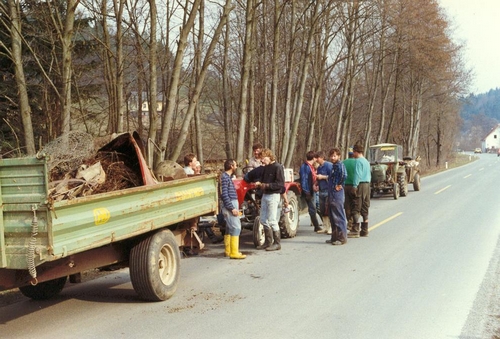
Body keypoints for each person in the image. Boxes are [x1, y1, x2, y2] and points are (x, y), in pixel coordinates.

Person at [254, 148, 285, 251]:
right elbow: (262, 180)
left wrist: (265, 185)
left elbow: (280, 184)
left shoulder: (278, 167)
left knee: (272, 220)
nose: (262, 161)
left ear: (269, 156)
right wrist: (258, 183)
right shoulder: (266, 168)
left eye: (263, 158)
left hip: (273, 195)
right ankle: (268, 242)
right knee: (263, 219)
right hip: (265, 195)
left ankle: (277, 243)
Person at [220, 159, 246, 259]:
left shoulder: (227, 177)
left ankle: (228, 251)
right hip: (230, 205)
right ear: (231, 166)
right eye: (235, 165)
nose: (236, 167)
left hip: (231, 204)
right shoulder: (225, 178)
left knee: (229, 228)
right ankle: (234, 252)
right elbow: (225, 195)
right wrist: (232, 208)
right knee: (236, 227)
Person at [325, 148, 348, 245]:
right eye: (331, 156)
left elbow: (344, 175)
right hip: (331, 193)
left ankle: (342, 238)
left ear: (339, 156)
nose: (332, 158)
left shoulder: (340, 165)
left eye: (334, 156)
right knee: (332, 216)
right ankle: (334, 237)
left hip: (337, 193)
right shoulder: (333, 166)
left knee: (338, 216)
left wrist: (339, 184)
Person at [299, 151, 323, 233]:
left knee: (316, 207)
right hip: (308, 191)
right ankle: (316, 226)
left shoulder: (310, 166)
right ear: (313, 158)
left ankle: (324, 223)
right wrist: (307, 192)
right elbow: (304, 180)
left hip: (312, 190)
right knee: (312, 208)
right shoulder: (305, 167)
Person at [351, 144, 371, 237]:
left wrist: (355, 186)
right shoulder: (366, 161)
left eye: (353, 152)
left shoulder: (358, 161)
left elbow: (357, 174)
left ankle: (355, 229)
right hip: (367, 184)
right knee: (365, 206)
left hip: (361, 184)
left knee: (356, 205)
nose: (352, 154)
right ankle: (365, 229)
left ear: (356, 152)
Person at [315, 151, 333, 235]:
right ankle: (325, 226)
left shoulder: (329, 165)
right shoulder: (319, 168)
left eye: (317, 158)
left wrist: (322, 177)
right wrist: (316, 184)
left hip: (328, 190)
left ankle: (331, 227)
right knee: (322, 210)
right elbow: (317, 177)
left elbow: (332, 177)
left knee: (328, 209)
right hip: (321, 190)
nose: (316, 160)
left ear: (322, 157)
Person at [343, 149, 357, 235]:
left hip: (345, 186)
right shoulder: (357, 162)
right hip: (354, 186)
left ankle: (349, 222)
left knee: (347, 205)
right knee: (355, 204)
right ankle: (354, 223)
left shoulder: (343, 162)